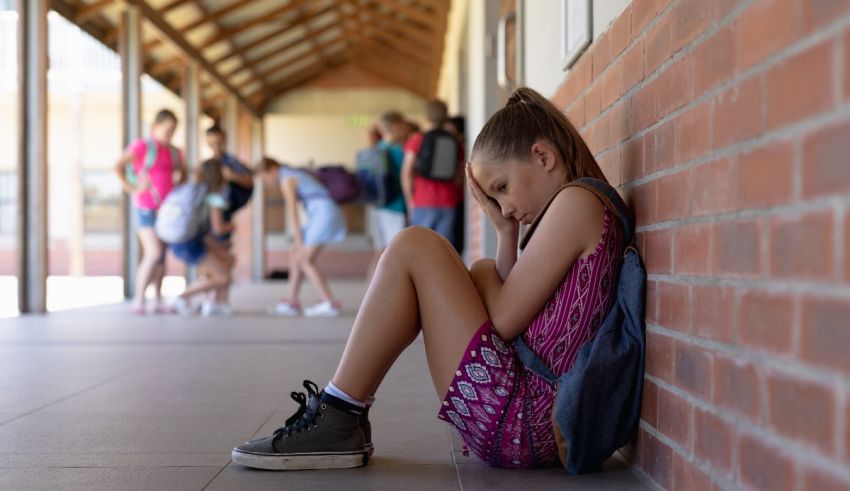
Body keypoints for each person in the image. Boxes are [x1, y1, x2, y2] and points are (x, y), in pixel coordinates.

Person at [231, 87, 623, 471]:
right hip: (526, 415)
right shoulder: (579, 206)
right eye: (494, 196)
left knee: (415, 245)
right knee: (426, 250)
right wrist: (505, 235)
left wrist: (484, 272)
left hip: (526, 420)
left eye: (503, 188)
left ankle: (339, 415)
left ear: (542, 156)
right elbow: (513, 311)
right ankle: (343, 413)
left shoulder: (576, 204)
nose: (504, 206)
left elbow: (503, 321)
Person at [113, 109, 187, 315]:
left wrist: (179, 181)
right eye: (167, 129)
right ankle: (139, 299)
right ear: (155, 126)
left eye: (173, 130)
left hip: (168, 210)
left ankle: (158, 298)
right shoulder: (142, 147)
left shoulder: (175, 152)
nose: (170, 134)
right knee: (153, 252)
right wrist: (133, 188)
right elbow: (118, 166)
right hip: (146, 207)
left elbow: (184, 174)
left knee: (161, 256)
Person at [260, 158, 346, 317]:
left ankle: (328, 302)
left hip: (323, 215)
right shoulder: (292, 173)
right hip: (322, 214)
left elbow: (292, 210)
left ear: (273, 170)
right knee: (295, 257)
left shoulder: (286, 179)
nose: (266, 183)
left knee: (305, 259)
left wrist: (298, 237)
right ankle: (291, 301)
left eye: (265, 178)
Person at [167, 159, 236, 316]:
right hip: (190, 243)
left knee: (227, 260)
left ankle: (214, 303)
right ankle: (182, 297)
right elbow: (218, 228)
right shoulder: (214, 197)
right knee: (223, 276)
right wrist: (232, 226)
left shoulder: (195, 191)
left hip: (182, 240)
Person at [204, 125, 254, 315]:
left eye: (218, 141)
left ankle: (220, 300)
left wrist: (231, 176)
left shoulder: (231, 162)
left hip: (223, 214)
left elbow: (249, 181)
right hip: (209, 220)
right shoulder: (207, 163)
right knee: (214, 262)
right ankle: (211, 299)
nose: (216, 145)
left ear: (224, 140)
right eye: (212, 142)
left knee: (224, 259)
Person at [401, 100, 464, 244]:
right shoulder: (454, 140)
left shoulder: (418, 139)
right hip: (448, 201)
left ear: (425, 117)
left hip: (423, 200)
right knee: (444, 248)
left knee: (420, 246)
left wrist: (410, 201)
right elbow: (459, 176)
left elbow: (406, 172)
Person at [365, 110, 408, 280]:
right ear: (396, 126)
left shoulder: (374, 150)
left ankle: (369, 295)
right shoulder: (398, 151)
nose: (405, 129)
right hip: (395, 207)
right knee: (394, 253)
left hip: (376, 207)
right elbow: (406, 179)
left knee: (378, 253)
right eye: (403, 126)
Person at [443, 115, 467, 255]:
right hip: (454, 200)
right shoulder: (451, 149)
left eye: (451, 133)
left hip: (459, 200)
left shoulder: (461, 150)